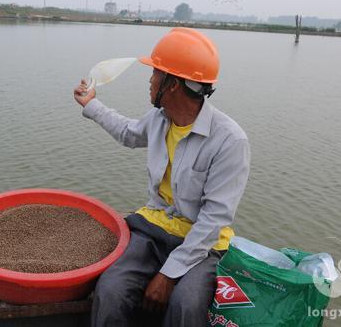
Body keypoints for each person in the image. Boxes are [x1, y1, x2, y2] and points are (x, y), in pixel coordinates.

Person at [73, 28, 250, 327]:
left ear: (173, 85)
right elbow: (129, 133)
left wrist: (169, 274)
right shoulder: (159, 119)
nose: (150, 80)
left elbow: (214, 218)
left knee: (185, 305)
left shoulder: (230, 141)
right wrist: (91, 103)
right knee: (111, 290)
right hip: (153, 227)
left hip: (202, 243)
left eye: (156, 74)